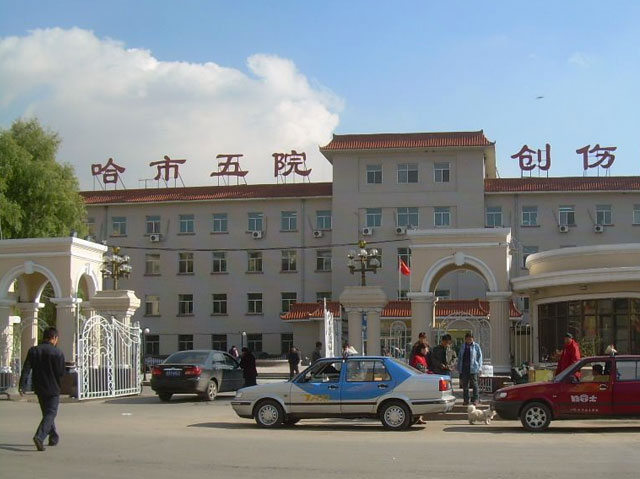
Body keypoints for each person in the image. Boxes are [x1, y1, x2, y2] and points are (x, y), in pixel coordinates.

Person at [18, 327, 66, 452]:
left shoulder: (34, 351)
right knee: (51, 413)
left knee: (47, 413)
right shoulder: (58, 353)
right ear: (54, 338)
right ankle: (39, 437)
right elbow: (61, 372)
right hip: (53, 388)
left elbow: (26, 369)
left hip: (39, 387)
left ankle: (53, 437)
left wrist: (22, 385)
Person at [457, 333, 482, 406]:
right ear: (465, 339)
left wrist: (480, 367)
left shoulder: (476, 346)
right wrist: (459, 368)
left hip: (473, 368)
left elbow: (480, 357)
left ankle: (476, 399)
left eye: (470, 339)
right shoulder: (463, 346)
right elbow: (460, 357)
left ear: (473, 339)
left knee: (474, 384)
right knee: (465, 385)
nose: (469, 340)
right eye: (467, 339)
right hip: (464, 368)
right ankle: (466, 400)